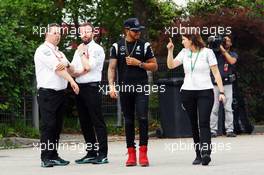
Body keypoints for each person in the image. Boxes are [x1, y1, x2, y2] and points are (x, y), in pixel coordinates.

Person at [167, 34, 225, 166]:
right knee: (193, 123)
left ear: (191, 40)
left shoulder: (207, 52)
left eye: (184, 40)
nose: (182, 42)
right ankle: (198, 154)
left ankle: (206, 153)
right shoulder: (184, 52)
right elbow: (171, 65)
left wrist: (221, 91)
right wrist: (170, 50)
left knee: (204, 122)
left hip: (205, 91)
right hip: (187, 92)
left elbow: (216, 73)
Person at [108, 18, 158, 167]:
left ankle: (143, 153)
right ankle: (131, 153)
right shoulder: (117, 46)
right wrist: (111, 86)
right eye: (135, 30)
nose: (138, 33)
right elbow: (111, 68)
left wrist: (139, 63)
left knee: (142, 118)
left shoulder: (144, 45)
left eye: (139, 30)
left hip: (141, 87)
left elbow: (154, 66)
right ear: (126, 30)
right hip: (125, 88)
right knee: (128, 120)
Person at [34, 23, 79, 168]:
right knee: (49, 125)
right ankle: (46, 158)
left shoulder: (60, 53)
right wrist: (72, 81)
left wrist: (66, 64)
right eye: (54, 33)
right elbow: (58, 70)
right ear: (46, 34)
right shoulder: (43, 50)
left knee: (57, 126)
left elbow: (70, 68)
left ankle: (54, 155)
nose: (57, 36)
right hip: (48, 93)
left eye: (59, 33)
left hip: (60, 94)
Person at [68, 22, 108, 164]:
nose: (84, 34)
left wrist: (81, 53)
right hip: (79, 88)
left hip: (92, 88)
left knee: (97, 121)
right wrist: (68, 66)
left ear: (93, 33)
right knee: (85, 122)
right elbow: (73, 69)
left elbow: (88, 66)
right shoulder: (77, 50)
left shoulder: (97, 49)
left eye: (87, 31)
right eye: (82, 32)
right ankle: (91, 153)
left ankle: (102, 154)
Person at [210, 36, 238, 137]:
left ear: (230, 44)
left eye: (228, 41)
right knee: (214, 108)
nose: (226, 42)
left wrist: (222, 49)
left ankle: (229, 130)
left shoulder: (232, 54)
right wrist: (216, 45)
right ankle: (212, 131)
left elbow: (232, 61)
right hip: (215, 84)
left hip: (227, 84)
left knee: (228, 108)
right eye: (224, 40)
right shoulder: (215, 53)